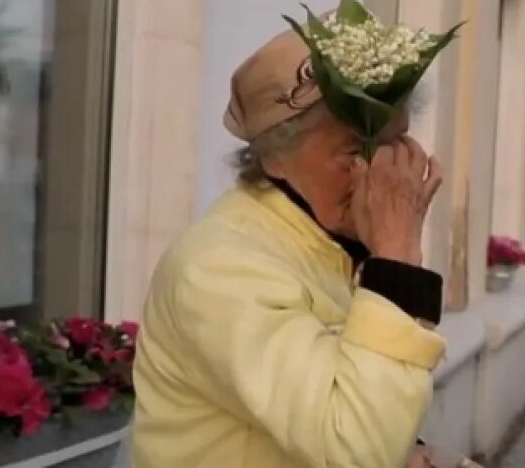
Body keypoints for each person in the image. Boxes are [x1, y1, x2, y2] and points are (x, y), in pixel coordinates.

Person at [131, 27, 447, 468]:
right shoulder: (222, 268)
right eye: (360, 149)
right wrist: (396, 258)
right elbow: (356, 448)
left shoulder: (327, 240)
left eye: (399, 144)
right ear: (275, 154)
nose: (389, 173)